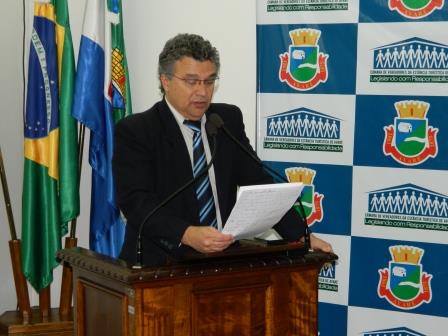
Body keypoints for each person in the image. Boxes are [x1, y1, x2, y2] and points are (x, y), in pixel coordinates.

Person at [113, 33, 332, 266]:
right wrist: (186, 233)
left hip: (223, 261)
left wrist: (300, 236)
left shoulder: (225, 119)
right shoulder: (137, 130)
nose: (203, 91)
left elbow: (257, 181)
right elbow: (135, 201)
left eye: (209, 81)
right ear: (165, 81)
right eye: (191, 81)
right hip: (159, 264)